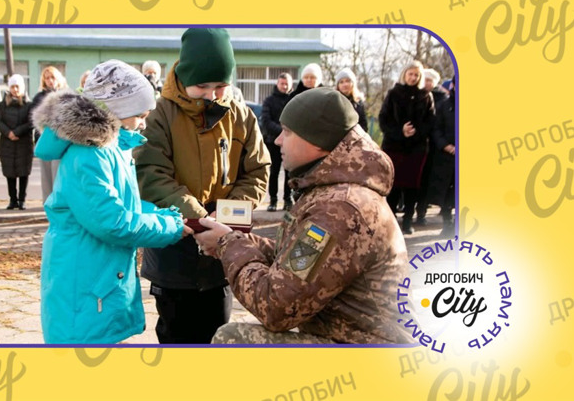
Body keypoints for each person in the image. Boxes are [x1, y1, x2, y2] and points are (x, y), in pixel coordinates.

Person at [194, 88, 411, 344]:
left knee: (234, 339)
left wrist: (229, 244)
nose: (277, 141)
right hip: (355, 339)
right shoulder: (332, 192)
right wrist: (238, 241)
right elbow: (302, 260)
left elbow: (275, 308)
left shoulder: (340, 209)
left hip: (371, 353)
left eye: (287, 132)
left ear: (317, 140)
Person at [32, 59, 188, 344]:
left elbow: (126, 205)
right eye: (139, 114)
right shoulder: (89, 155)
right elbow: (113, 222)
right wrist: (172, 227)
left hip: (98, 275)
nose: (143, 122)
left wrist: (168, 215)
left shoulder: (111, 148)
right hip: (84, 280)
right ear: (117, 108)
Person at [133, 28, 270, 344]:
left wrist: (227, 220)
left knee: (216, 333)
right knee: (176, 334)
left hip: (222, 248)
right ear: (183, 76)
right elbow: (152, 173)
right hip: (174, 244)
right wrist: (198, 219)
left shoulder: (241, 116)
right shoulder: (160, 115)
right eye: (202, 86)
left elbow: (257, 170)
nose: (211, 95)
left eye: (220, 86)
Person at [379, 61, 436, 234]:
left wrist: (415, 132)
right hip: (394, 146)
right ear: (404, 74)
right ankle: (391, 221)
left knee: (412, 186)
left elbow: (430, 121)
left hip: (416, 148)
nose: (413, 77)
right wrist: (400, 131)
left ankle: (408, 221)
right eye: (410, 74)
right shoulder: (393, 93)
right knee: (393, 185)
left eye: (416, 75)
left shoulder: (426, 96)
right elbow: (384, 119)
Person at [30, 66, 68, 203]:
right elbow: (34, 120)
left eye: (53, 77)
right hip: (45, 141)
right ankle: (48, 205)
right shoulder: (39, 98)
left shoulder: (66, 96)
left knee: (59, 175)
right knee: (46, 178)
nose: (50, 81)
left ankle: (60, 205)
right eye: (47, 78)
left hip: (61, 142)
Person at [414, 68, 448, 225]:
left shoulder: (443, 100)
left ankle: (421, 212)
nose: (427, 82)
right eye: (425, 79)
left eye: (430, 80)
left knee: (426, 182)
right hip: (415, 144)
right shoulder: (416, 97)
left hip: (434, 149)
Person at [0, 74, 34, 210]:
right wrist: (9, 133)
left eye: (17, 86)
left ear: (22, 87)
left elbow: (31, 122)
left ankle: (22, 199)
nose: (15, 89)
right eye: (12, 86)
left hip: (23, 142)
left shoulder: (29, 105)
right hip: (7, 143)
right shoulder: (3, 105)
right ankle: (13, 199)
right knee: (9, 172)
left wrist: (17, 132)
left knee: (23, 172)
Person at [260, 72, 293, 212]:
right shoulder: (269, 101)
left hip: (291, 143)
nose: (284, 86)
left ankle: (287, 199)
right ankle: (273, 200)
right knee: (273, 172)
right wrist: (283, 131)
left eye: (287, 84)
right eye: (282, 83)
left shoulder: (294, 100)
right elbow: (266, 121)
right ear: (277, 84)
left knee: (289, 172)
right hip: (272, 142)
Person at [427, 78, 456, 237]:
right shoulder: (444, 105)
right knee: (445, 192)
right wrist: (446, 146)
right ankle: (447, 223)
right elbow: (436, 129)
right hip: (445, 156)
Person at [335, 67, 368, 132]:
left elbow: (363, 124)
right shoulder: (334, 101)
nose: (345, 84)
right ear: (338, 85)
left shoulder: (358, 102)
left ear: (353, 83)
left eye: (347, 81)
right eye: (341, 82)